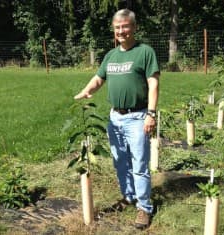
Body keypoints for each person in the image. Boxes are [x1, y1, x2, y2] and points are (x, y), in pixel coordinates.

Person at [74, 9, 159, 229]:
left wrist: (151, 113)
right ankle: (128, 196)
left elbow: (153, 84)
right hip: (115, 118)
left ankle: (144, 208)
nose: (121, 31)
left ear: (134, 27)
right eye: (117, 27)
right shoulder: (111, 56)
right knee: (120, 161)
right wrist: (86, 90)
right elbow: (98, 78)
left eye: (125, 26)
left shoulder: (145, 52)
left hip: (138, 116)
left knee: (139, 164)